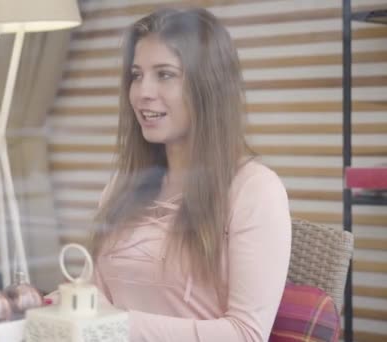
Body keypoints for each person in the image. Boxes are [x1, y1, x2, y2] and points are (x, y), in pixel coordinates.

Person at [90, 8, 292, 342]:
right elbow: (94, 301)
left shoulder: (255, 190)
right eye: (136, 75)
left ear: (208, 85)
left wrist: (112, 327)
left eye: (165, 74)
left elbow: (245, 334)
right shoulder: (120, 188)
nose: (142, 93)